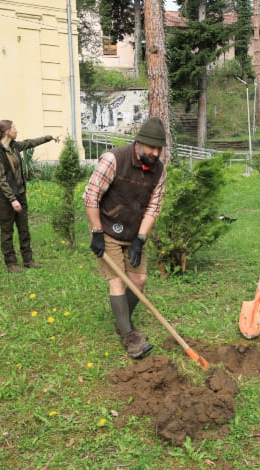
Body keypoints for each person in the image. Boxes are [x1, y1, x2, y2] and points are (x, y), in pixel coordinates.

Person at [82, 117, 167, 358]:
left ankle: (123, 322)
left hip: (133, 232)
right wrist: (96, 233)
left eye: (159, 148)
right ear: (138, 142)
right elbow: (91, 197)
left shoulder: (159, 170)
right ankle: (129, 336)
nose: (155, 152)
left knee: (138, 280)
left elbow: (153, 207)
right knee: (117, 281)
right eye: (151, 147)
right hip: (107, 229)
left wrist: (140, 238)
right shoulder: (113, 160)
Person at [0, 120, 59, 272]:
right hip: (6, 199)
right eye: (14, 128)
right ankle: (11, 263)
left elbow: (31, 143)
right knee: (7, 231)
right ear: (7, 131)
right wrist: (12, 199)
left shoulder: (14, 146)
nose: (17, 130)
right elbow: (1, 179)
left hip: (20, 194)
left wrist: (50, 137)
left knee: (24, 229)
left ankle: (28, 260)